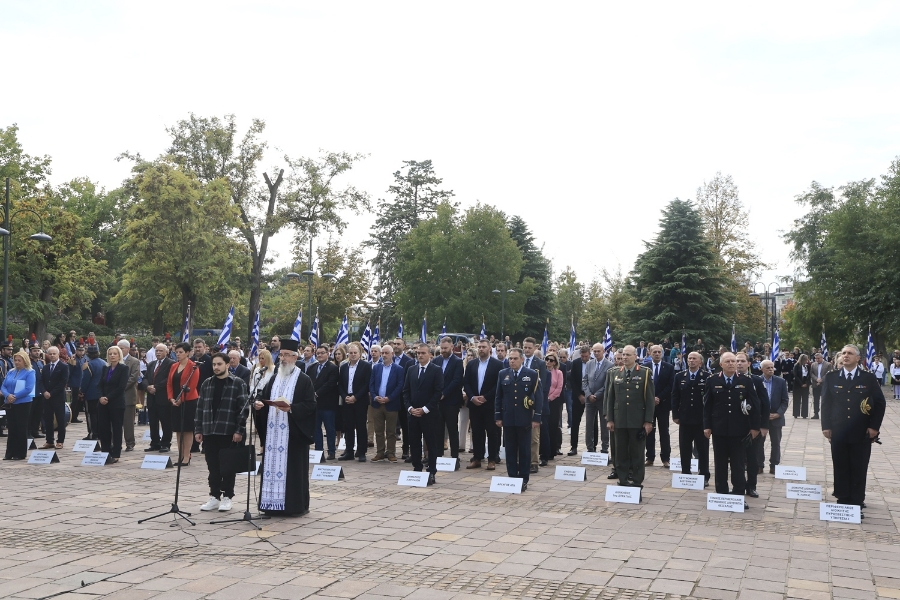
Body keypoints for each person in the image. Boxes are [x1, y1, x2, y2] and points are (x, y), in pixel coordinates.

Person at [821, 345, 885, 517]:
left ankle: (856, 501)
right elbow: (825, 403)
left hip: (861, 431)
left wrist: (874, 427)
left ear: (858, 358)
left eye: (850, 353)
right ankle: (842, 498)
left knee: (859, 466)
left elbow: (880, 403)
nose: (846, 356)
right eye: (843, 353)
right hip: (838, 430)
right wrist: (826, 426)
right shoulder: (832, 377)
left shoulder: (868, 378)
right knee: (840, 465)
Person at [255, 339, 317, 516]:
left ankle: (294, 507)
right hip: (273, 435)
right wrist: (259, 404)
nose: (282, 359)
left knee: (293, 472)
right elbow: (264, 396)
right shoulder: (274, 378)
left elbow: (311, 405)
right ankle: (269, 505)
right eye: (281, 355)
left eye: (286, 355)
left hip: (293, 435)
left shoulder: (304, 380)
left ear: (295, 357)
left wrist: (292, 408)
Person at [703, 352, 760, 507]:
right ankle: (721, 493)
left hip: (739, 429)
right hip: (719, 429)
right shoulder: (712, 380)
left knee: (738, 463)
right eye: (727, 361)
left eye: (733, 361)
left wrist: (755, 427)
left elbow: (755, 405)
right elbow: (707, 406)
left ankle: (738, 494)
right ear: (721, 364)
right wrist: (707, 426)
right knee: (720, 462)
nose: (731, 364)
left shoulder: (746, 381)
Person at [195, 352, 250, 512]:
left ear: (227, 365)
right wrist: (198, 429)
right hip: (210, 431)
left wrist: (239, 430)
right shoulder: (207, 383)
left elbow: (243, 409)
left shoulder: (237, 383)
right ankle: (214, 496)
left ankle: (227, 496)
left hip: (228, 431)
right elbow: (200, 408)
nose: (216, 367)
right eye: (214, 364)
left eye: (219, 364)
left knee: (228, 467)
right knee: (213, 466)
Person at [606, 345, 655, 490]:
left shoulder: (645, 373)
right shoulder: (615, 373)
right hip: (619, 419)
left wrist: (648, 421)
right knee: (620, 452)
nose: (625, 357)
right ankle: (622, 480)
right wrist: (610, 419)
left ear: (635, 356)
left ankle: (637, 481)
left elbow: (650, 399)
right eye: (623, 355)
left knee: (637, 452)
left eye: (628, 355)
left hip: (637, 419)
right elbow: (610, 398)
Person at [494, 348, 543, 492]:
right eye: (510, 358)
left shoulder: (532, 374)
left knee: (524, 450)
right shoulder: (503, 374)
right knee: (510, 449)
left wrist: (536, 417)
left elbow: (539, 397)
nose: (512, 361)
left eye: (515, 358)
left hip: (524, 418)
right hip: (508, 417)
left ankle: (523, 478)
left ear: (522, 359)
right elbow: (498, 396)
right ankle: (512, 476)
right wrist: (498, 416)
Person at [403, 343, 443, 485]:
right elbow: (406, 391)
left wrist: (425, 409)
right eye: (418, 353)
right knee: (414, 442)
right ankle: (417, 468)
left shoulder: (436, 370)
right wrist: (410, 408)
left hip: (429, 414)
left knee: (431, 443)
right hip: (413, 414)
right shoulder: (411, 369)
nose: (420, 355)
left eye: (423, 353)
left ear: (430, 355)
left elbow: (438, 392)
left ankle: (431, 471)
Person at [671, 351, 710, 486]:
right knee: (684, 447)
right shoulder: (679, 376)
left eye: (694, 359)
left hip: (701, 419)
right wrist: (675, 415)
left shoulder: (707, 377)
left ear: (700, 362)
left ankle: (704, 474)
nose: (691, 361)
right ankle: (686, 473)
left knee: (702, 449)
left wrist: (708, 419)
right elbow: (675, 396)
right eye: (689, 358)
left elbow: (710, 400)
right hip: (685, 418)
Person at [463, 339, 503, 470]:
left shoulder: (497, 365)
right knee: (476, 432)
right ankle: (477, 458)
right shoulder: (471, 364)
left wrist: (486, 397)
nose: (481, 349)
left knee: (492, 432)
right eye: (479, 347)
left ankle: (492, 459)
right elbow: (466, 382)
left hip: (490, 404)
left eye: (483, 347)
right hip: (474, 404)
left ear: (489, 348)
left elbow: (498, 385)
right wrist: (472, 397)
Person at [736, 352, 769, 497]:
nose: (739, 364)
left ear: (749, 363)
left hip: (753, 425)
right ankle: (739, 485)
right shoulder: (730, 379)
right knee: (737, 458)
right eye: (737, 361)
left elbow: (765, 403)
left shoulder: (756, 380)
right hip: (736, 425)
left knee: (752, 458)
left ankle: (751, 486)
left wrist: (764, 425)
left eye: (742, 361)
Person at [368, 344, 405, 462]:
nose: (384, 355)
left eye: (386, 353)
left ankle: (391, 452)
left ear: (392, 354)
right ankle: (380, 452)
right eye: (382, 353)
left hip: (391, 404)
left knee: (391, 431)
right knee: (378, 430)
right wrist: (375, 397)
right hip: (377, 404)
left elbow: (400, 386)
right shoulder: (376, 368)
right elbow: (371, 384)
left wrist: (390, 398)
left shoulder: (398, 369)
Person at [167, 342, 201, 467]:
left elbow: (192, 386)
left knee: (187, 429)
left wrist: (181, 399)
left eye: (181, 352)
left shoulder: (193, 367)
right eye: (176, 352)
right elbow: (169, 383)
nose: (178, 354)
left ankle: (187, 456)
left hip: (189, 401)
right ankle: (180, 454)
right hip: (175, 402)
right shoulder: (174, 366)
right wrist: (171, 398)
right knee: (178, 429)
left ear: (187, 353)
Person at [431, 337, 464, 465]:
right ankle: (438, 455)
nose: (443, 350)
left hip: (451, 401)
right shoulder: (437, 360)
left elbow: (457, 380)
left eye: (445, 348)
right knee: (438, 430)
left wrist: (444, 393)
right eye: (442, 348)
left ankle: (455, 456)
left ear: (452, 347)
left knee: (452, 429)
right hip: (438, 402)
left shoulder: (457, 361)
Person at [338, 342, 372, 462]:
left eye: (355, 353)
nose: (353, 355)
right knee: (348, 427)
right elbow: (340, 384)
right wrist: (345, 396)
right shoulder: (343, 367)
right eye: (351, 353)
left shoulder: (366, 366)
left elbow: (366, 384)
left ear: (359, 354)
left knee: (361, 426)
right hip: (347, 400)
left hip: (360, 401)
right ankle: (349, 451)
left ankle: (361, 452)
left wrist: (356, 397)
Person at [521, 337, 550, 473]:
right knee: (519, 434)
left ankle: (533, 462)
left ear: (535, 348)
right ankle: (521, 460)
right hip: (518, 403)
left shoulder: (540, 364)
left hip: (532, 403)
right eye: (525, 347)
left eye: (529, 348)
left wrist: (535, 404)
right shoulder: (518, 360)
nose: (526, 350)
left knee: (534, 436)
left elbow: (541, 386)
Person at [2, 350, 36, 460]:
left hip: (23, 403)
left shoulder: (30, 372)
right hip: (10, 402)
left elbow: (28, 388)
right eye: (15, 360)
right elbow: (3, 386)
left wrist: (15, 396)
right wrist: (8, 395)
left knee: (21, 428)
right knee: (12, 428)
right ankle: (9, 453)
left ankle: (20, 453)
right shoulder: (11, 372)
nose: (16, 362)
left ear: (24, 361)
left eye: (19, 360)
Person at [645, 345, 675, 467]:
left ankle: (665, 458)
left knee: (664, 431)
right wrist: (651, 398)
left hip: (663, 404)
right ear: (650, 353)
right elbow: (643, 385)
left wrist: (659, 397)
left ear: (662, 353)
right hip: (648, 404)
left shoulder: (669, 367)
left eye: (659, 352)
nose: (657, 354)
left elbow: (671, 385)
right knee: (649, 431)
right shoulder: (645, 367)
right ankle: (650, 457)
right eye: (655, 352)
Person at [98, 345, 129, 463]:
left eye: (115, 353)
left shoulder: (123, 368)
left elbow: (121, 387)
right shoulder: (105, 368)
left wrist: (108, 397)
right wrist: (101, 396)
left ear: (119, 355)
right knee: (104, 428)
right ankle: (105, 451)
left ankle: (116, 453)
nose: (112, 356)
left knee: (116, 428)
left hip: (116, 403)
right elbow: (100, 384)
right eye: (110, 354)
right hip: (103, 403)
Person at [582, 344, 614, 454]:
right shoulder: (589, 363)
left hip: (602, 399)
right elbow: (584, 380)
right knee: (589, 424)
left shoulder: (609, 365)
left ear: (603, 351)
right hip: (589, 399)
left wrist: (597, 395)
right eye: (594, 351)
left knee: (604, 425)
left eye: (598, 351)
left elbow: (607, 384)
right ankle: (590, 448)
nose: (596, 353)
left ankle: (604, 448)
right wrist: (588, 394)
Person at [759, 359, 789, 474]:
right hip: (761, 418)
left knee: (776, 443)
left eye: (772, 367)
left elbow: (785, 401)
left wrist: (778, 413)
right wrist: (762, 414)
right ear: (762, 369)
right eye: (768, 368)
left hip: (776, 417)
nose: (771, 370)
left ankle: (774, 465)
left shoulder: (780, 381)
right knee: (759, 443)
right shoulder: (757, 381)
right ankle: (759, 465)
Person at [310, 345, 340, 459]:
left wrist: (317, 393)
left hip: (328, 404)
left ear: (328, 354)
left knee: (330, 429)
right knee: (316, 429)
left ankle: (331, 451)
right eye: (318, 353)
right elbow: (308, 382)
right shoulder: (312, 367)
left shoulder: (333, 368)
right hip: (315, 404)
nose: (320, 355)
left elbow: (330, 384)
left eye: (322, 353)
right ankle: (319, 453)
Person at [144, 343, 175, 453]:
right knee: (153, 422)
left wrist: (156, 387)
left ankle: (165, 443)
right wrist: (147, 387)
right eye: (157, 351)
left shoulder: (171, 364)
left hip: (163, 398)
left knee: (166, 422)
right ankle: (155, 443)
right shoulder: (151, 364)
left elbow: (169, 379)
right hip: (151, 398)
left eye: (161, 351)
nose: (158, 353)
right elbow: (145, 378)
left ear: (166, 352)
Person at [38, 346, 69, 450]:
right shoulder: (45, 367)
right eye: (50, 354)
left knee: (60, 420)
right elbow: (41, 381)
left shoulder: (63, 366)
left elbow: (63, 382)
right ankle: (49, 441)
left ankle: (60, 441)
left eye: (54, 354)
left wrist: (51, 393)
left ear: (58, 354)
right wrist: (44, 392)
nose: (52, 356)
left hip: (58, 397)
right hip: (46, 397)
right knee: (48, 419)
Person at [249, 349, 276, 453]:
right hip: (256, 396)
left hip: (267, 398)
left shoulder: (273, 369)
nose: (261, 360)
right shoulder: (257, 370)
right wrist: (254, 395)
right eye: (259, 358)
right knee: (258, 423)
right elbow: (253, 384)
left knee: (265, 422)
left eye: (263, 358)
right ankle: (262, 444)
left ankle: (267, 443)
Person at [566, 346, 592, 456]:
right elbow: (572, 380)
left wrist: (589, 395)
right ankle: (574, 446)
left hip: (591, 395)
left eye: (586, 356)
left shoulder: (593, 363)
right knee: (575, 422)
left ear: (589, 354)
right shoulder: (576, 363)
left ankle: (592, 446)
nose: (584, 358)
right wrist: (579, 395)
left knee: (592, 422)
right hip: (578, 395)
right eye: (582, 356)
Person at [117, 339, 141, 451]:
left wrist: (120, 387)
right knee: (116, 421)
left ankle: (130, 442)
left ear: (127, 349)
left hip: (128, 394)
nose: (119, 351)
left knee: (128, 422)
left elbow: (133, 377)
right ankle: (116, 442)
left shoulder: (134, 361)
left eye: (121, 348)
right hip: (115, 396)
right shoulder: (114, 360)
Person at [544, 353, 564, 460]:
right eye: (547, 359)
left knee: (553, 426)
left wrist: (550, 398)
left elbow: (559, 388)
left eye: (551, 360)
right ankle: (543, 450)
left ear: (555, 362)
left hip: (554, 402)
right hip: (543, 401)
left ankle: (552, 450)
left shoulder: (558, 373)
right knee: (544, 426)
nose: (548, 362)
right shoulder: (542, 371)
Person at [68, 343, 87, 424]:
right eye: (79, 350)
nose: (81, 352)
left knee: (79, 401)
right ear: (76, 351)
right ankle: (72, 417)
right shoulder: (73, 359)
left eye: (82, 350)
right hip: (75, 382)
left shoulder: (84, 359)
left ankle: (75, 416)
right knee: (74, 400)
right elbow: (69, 372)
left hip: (82, 382)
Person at [810, 352, 832, 418]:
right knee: (816, 400)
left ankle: (824, 414)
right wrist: (816, 379)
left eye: (818, 358)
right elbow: (811, 373)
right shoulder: (813, 365)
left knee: (824, 400)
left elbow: (829, 373)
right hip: (816, 384)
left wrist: (821, 380)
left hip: (824, 385)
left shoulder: (828, 364)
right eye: (816, 358)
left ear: (822, 358)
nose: (817, 360)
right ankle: (816, 413)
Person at [792, 354, 811, 419]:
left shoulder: (807, 366)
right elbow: (795, 375)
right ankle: (796, 413)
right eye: (805, 359)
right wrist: (801, 384)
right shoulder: (796, 366)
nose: (806, 361)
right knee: (797, 399)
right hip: (798, 384)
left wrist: (806, 383)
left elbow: (809, 375)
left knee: (805, 399)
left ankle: (804, 414)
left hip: (805, 383)